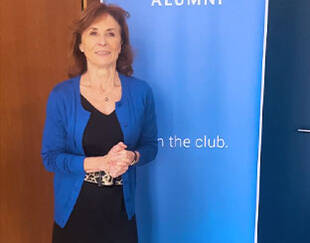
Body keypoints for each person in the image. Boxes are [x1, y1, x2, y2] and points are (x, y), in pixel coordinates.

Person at [41, 2, 158, 243]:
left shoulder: (141, 93)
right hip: (74, 214)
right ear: (81, 44)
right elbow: (50, 158)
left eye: (111, 33)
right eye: (93, 33)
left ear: (121, 44)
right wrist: (101, 163)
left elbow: (150, 146)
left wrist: (131, 157)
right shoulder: (61, 96)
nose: (102, 41)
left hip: (120, 214)